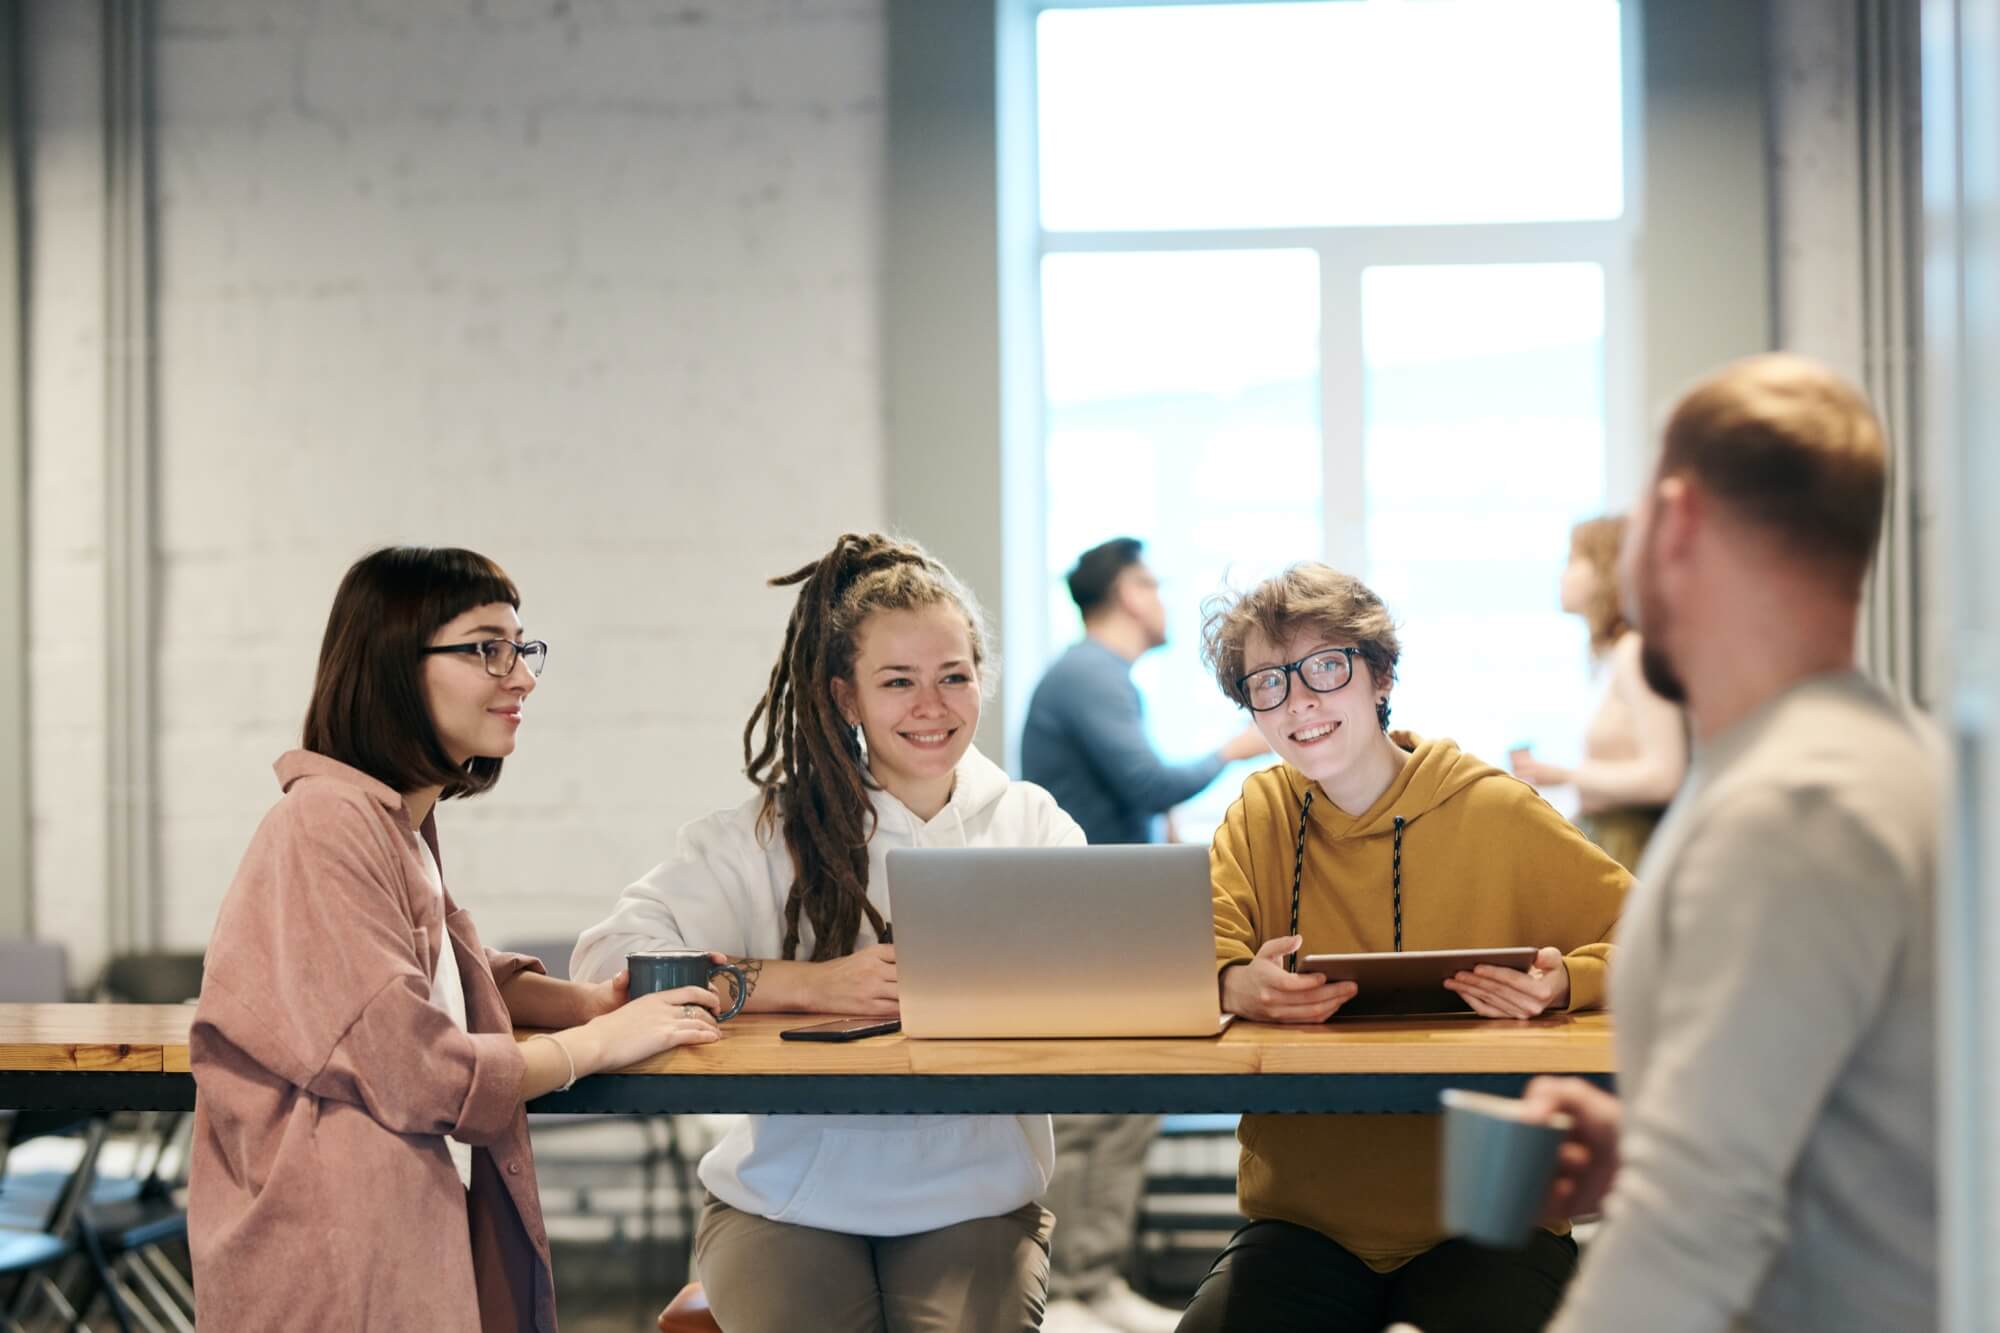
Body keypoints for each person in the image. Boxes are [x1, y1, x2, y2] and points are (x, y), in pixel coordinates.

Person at [188, 547, 725, 1332]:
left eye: (520, 648)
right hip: (339, 1268)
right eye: (486, 648)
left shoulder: (392, 822)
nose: (522, 677)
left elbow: (430, 967)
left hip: (384, 1241)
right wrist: (600, 1042)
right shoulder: (322, 824)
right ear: (395, 667)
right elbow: (415, 1064)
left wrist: (578, 1001)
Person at [1523, 353, 1939, 1333]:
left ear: (1675, 521)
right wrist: (1652, 1140)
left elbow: (1685, 1236)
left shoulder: (1791, 808)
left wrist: (1672, 1178)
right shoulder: (1880, 755)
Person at [572, 532, 1081, 1333]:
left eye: (955, 676)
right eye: (897, 681)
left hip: (977, 1197)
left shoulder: (1032, 822)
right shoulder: (772, 832)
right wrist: (808, 983)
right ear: (847, 698)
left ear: (983, 678)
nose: (932, 705)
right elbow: (610, 958)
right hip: (784, 1201)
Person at [1175, 563, 1632, 1333]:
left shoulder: (1493, 810)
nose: (1301, 702)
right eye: (1269, 683)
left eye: (1324, 667)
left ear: (1380, 675)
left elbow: (1664, 941)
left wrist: (1566, 983)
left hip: (1490, 1216)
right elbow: (1187, 951)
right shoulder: (1256, 814)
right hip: (1302, 1223)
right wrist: (1230, 982)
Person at [1020, 537, 1266, 1333]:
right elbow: (1143, 779)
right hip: (1083, 925)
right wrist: (1237, 745)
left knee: (1125, 1105)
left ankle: (1092, 1279)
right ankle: (1063, 1288)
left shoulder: (1099, 677)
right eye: (1154, 584)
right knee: (1092, 1112)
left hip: (1105, 921)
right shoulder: (1090, 673)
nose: (1163, 598)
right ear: (1127, 592)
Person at [1512, 515, 1688, 870]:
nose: (1562, 574)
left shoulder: (1633, 652)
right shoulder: (1608, 660)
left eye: (1574, 560)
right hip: (1609, 839)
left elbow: (1668, 775)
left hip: (1634, 850)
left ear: (1607, 571)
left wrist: (1567, 775)